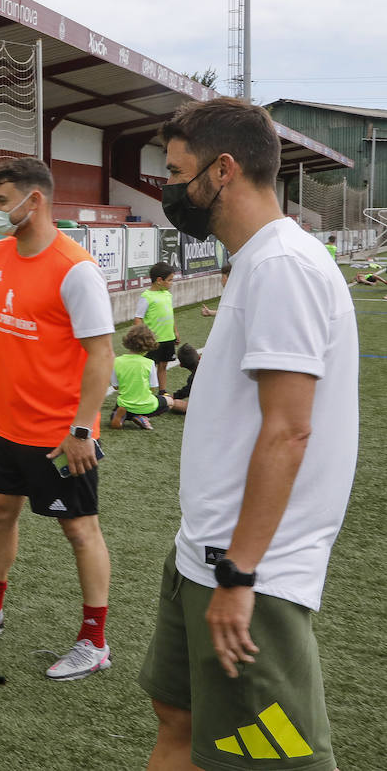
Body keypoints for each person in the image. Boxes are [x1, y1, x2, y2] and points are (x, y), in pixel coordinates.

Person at [141, 97, 357, 771]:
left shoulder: (281, 266)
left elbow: (289, 431)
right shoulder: (256, 260)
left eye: (177, 172)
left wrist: (239, 573)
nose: (169, 189)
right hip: (201, 551)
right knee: (178, 716)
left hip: (248, 571)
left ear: (223, 169)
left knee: (270, 761)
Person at [0, 158, 116, 682]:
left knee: (79, 530)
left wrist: (83, 428)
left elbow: (102, 355)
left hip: (61, 435)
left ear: (33, 200)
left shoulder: (75, 268)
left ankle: (94, 641)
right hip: (6, 422)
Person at [108, 324, 172, 431]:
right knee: (170, 402)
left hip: (124, 404)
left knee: (119, 409)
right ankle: (141, 416)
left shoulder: (117, 361)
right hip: (146, 405)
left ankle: (120, 416)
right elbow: (152, 388)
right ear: (149, 345)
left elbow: (115, 386)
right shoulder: (149, 363)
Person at [135, 262, 180, 394]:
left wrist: (175, 331)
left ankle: (162, 391)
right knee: (150, 367)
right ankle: (146, 393)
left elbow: (170, 314)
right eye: (170, 280)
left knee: (163, 365)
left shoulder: (167, 294)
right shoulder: (146, 297)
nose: (171, 283)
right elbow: (138, 318)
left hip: (168, 338)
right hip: (153, 341)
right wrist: (143, 337)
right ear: (159, 280)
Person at [169, 343, 200, 415]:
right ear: (199, 356)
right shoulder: (213, 365)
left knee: (174, 403)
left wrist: (173, 397)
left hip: (209, 406)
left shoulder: (193, 379)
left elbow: (186, 391)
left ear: (181, 365)